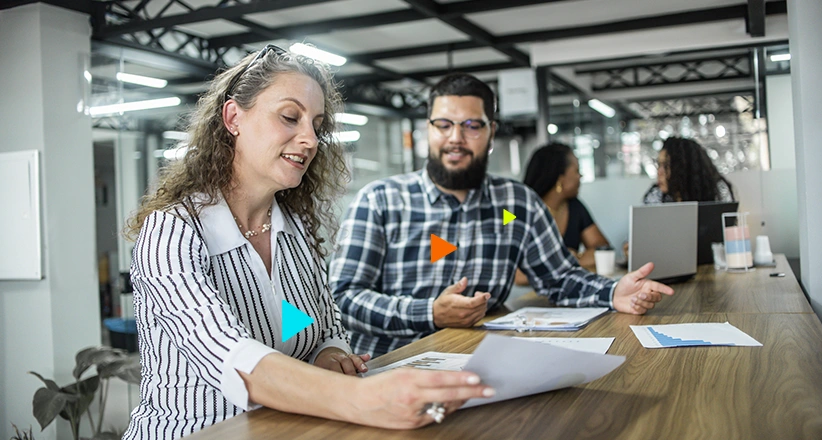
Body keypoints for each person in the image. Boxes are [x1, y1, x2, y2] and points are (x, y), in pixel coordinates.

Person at [122, 46, 492, 438]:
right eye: (289, 117)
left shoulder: (293, 228)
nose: (310, 139)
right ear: (233, 117)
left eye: (316, 125)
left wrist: (330, 352)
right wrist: (361, 398)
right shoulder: (172, 232)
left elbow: (321, 321)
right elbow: (230, 357)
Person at [329, 73, 674, 359]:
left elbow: (559, 277)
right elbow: (343, 297)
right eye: (444, 124)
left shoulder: (517, 204)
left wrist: (614, 293)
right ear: (429, 129)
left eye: (471, 126)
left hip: (479, 361)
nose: (456, 138)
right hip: (390, 366)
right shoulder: (380, 201)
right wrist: (429, 312)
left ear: (492, 132)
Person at [519, 142, 610, 273]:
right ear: (560, 179)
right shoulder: (515, 211)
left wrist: (569, 260)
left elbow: (603, 251)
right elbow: (517, 272)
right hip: (524, 293)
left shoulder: (575, 207)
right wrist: (567, 259)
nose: (580, 176)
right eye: (577, 171)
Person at [643, 136, 735, 204]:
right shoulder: (656, 197)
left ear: (683, 168)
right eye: (659, 165)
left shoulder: (717, 192)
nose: (659, 172)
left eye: (666, 166)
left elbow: (726, 226)